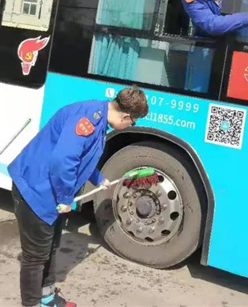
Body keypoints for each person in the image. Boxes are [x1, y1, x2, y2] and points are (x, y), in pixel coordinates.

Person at [8, 86, 149, 307]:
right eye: (133, 122)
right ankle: (32, 303)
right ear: (125, 116)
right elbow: (62, 161)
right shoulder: (88, 121)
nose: (130, 126)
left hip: (50, 191)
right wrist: (65, 198)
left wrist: (98, 178)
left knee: (51, 247)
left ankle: (47, 298)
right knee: (35, 256)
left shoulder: (98, 116)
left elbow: (81, 155)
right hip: (35, 189)